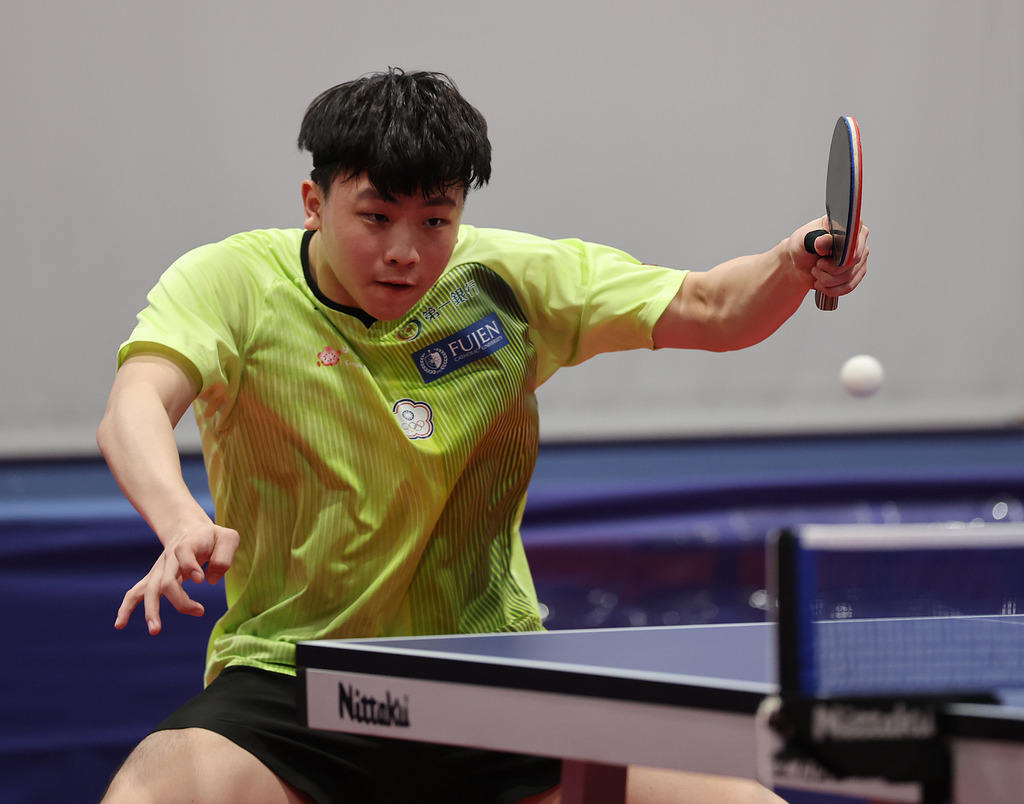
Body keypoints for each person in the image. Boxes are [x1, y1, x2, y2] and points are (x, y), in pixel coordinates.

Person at [97, 69, 867, 804]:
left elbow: (711, 308)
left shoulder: (505, 281)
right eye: (376, 217)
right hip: (295, 675)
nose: (405, 249)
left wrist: (791, 263)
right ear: (313, 203)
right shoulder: (231, 282)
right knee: (156, 788)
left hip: (490, 677)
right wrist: (181, 518)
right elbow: (136, 402)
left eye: (435, 220)